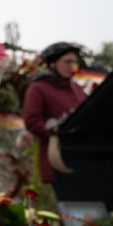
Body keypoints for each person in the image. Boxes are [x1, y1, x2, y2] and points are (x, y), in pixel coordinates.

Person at [23, 42, 87, 186]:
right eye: (67, 62)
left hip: (84, 158)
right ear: (52, 64)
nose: (72, 66)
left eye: (74, 62)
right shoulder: (38, 88)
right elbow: (32, 122)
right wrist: (57, 131)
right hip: (57, 160)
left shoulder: (77, 88)